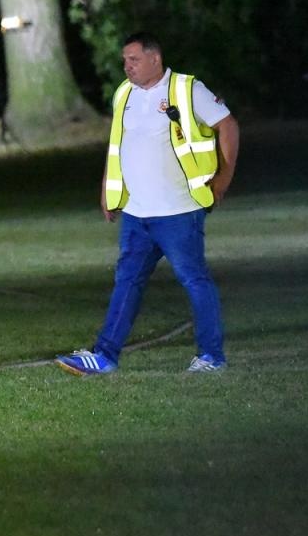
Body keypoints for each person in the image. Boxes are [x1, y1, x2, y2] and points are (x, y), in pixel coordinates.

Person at [57, 32, 240, 376]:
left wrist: (223, 178)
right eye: (125, 61)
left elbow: (227, 126)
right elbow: (119, 145)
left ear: (155, 59)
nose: (127, 67)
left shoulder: (187, 89)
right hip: (136, 214)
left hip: (178, 212)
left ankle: (212, 356)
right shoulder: (124, 94)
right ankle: (104, 356)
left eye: (134, 60)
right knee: (127, 281)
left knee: (194, 280)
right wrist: (108, 189)